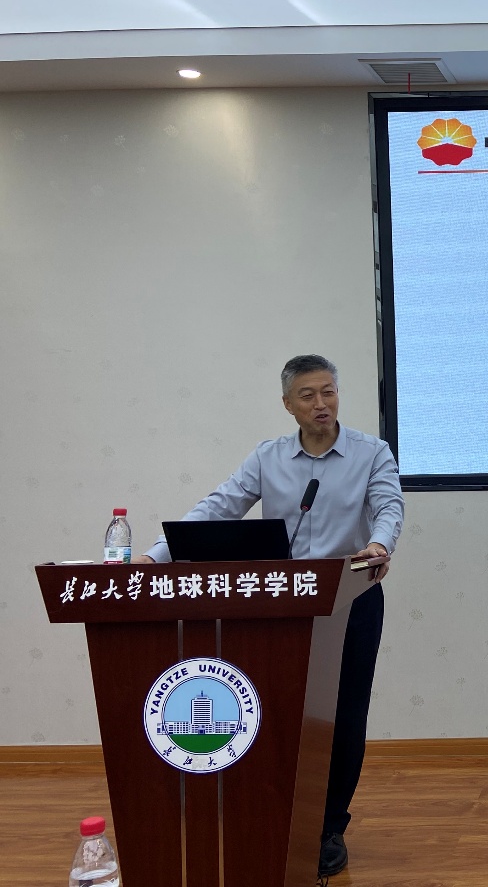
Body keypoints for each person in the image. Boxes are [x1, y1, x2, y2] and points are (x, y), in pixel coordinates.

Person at [135, 354, 404, 878]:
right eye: (308, 395)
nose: (321, 403)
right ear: (288, 405)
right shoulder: (268, 457)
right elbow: (218, 507)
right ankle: (277, 817)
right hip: (281, 603)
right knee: (278, 712)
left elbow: (388, 505)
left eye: (328, 391)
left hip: (350, 597)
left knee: (343, 715)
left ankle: (328, 827)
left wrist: (378, 544)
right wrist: (156, 555)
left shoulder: (372, 452)